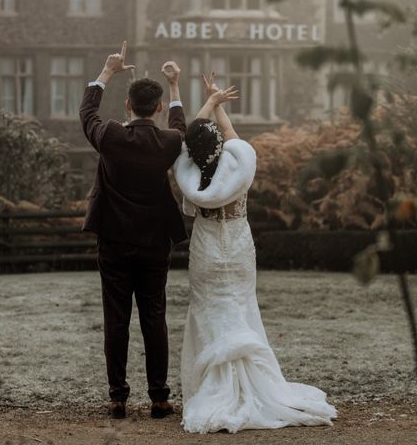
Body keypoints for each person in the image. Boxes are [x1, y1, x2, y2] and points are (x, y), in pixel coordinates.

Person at [173, 72, 338, 433]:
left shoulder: (188, 172)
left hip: (206, 245)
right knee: (241, 304)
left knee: (208, 308)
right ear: (220, 145)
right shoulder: (239, 162)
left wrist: (208, 105)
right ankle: (254, 382)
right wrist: (218, 105)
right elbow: (231, 139)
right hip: (236, 242)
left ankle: (211, 386)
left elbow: (189, 139)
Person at [78, 41, 187, 420]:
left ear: (128, 106)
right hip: (155, 243)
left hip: (114, 242)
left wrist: (107, 71)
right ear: (155, 108)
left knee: (117, 319)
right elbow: (179, 126)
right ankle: (159, 397)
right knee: (154, 317)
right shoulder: (168, 142)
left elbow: (87, 112)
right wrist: (174, 85)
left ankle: (118, 397)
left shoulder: (110, 135)